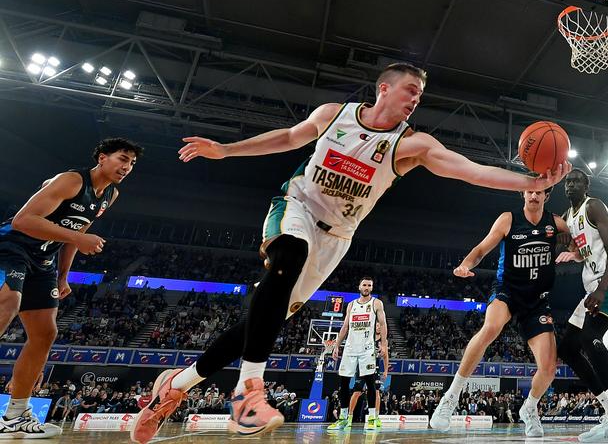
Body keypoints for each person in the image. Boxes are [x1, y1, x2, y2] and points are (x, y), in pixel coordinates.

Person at [130, 62, 570, 443]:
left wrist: (530, 183)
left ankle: (178, 384)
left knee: (260, 322)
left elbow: (470, 172)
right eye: (410, 90)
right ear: (384, 88)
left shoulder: (411, 144)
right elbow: (288, 137)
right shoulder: (334, 115)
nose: (416, 100)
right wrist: (226, 150)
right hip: (297, 207)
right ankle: (248, 391)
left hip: (337, 238)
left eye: (420, 95)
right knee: (289, 256)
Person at [0, 137, 141, 438]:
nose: (127, 167)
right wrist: (77, 238)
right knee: (9, 303)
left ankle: (15, 414)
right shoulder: (71, 180)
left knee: (45, 333)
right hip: (12, 247)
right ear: (102, 158)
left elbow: (77, 231)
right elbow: (23, 221)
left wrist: (64, 276)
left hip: (44, 260)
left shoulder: (109, 195)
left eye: (132, 163)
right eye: (122, 159)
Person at [430, 185, 570, 437]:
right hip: (508, 290)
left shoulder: (557, 224)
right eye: (530, 191)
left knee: (549, 369)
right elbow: (482, 249)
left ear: (546, 196)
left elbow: (579, 246)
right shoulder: (508, 219)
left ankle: (530, 407)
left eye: (540, 192)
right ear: (523, 194)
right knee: (492, 327)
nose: (534, 195)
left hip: (538, 300)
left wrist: (574, 253)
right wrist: (465, 264)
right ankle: (450, 398)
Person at [555, 169, 608, 442]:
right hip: (593, 285)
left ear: (586, 185)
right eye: (568, 181)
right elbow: (586, 252)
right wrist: (573, 255)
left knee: (590, 336)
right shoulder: (569, 217)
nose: (571, 185)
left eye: (576, 181)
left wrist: (602, 289)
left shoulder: (594, 206)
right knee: (567, 347)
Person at [327, 277, 387, 431]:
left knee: (370, 383)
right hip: (350, 348)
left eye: (369, 285)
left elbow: (383, 324)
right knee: (344, 383)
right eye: (364, 285)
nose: (366, 287)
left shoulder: (376, 303)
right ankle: (343, 419)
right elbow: (345, 326)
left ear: (372, 288)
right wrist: (336, 345)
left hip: (367, 349)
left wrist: (384, 344)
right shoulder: (351, 305)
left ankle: (372, 418)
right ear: (359, 286)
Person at [345, 318, 389, 428]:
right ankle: (349, 417)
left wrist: (386, 370)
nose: (379, 327)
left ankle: (375, 417)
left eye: (380, 326)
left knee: (377, 392)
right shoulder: (367, 336)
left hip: (375, 368)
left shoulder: (384, 341)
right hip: (362, 366)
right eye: (377, 325)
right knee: (357, 392)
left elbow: (385, 356)